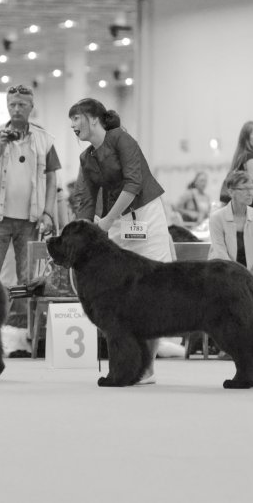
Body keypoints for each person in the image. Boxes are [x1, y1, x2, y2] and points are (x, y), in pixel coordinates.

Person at [70, 97, 172, 385]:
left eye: (76, 118)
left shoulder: (121, 140)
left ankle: (147, 368)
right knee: (118, 294)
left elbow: (134, 183)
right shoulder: (86, 158)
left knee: (152, 292)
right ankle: (126, 365)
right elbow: (85, 199)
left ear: (93, 118)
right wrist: (80, 233)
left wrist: (107, 220)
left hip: (145, 216)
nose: (73, 125)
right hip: (114, 222)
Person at [0, 84, 60, 284]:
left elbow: (51, 178)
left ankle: (25, 316)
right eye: (12, 105)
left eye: (22, 105)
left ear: (31, 107)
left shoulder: (44, 139)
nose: (16, 109)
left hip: (30, 220)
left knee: (30, 276)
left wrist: (48, 212)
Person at [209, 170, 253, 283]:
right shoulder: (217, 218)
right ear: (231, 192)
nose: (250, 193)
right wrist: (238, 281)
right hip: (224, 275)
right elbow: (220, 252)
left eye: (252, 188)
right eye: (244, 189)